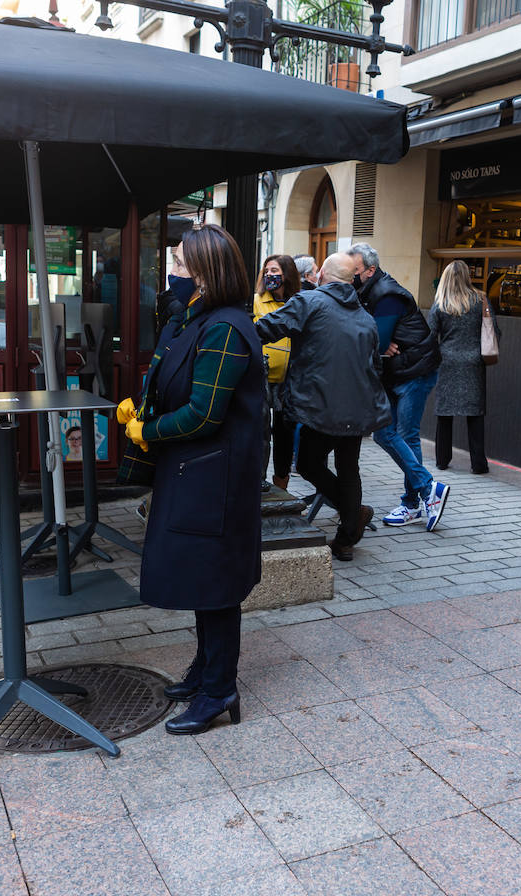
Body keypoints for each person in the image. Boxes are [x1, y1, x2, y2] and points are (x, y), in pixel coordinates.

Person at [120, 224, 265, 735]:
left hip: (216, 479)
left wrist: (146, 430)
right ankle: (205, 669)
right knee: (204, 578)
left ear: (205, 273)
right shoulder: (191, 320)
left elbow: (205, 414)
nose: (172, 273)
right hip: (194, 472)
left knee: (217, 585)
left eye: (179, 264)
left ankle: (219, 688)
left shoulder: (225, 328)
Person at [255, 253, 392, 561]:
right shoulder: (365, 317)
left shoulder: (310, 302)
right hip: (358, 407)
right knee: (349, 468)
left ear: (321, 276)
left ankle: (352, 516)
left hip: (323, 406)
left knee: (307, 463)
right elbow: (375, 366)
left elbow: (266, 328)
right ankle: (346, 537)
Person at [348, 242, 449, 531]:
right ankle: (427, 490)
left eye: (354, 270)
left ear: (370, 270)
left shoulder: (387, 294)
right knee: (384, 434)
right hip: (394, 373)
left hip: (413, 373)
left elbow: (375, 342)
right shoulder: (367, 291)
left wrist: (379, 344)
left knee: (407, 435)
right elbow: (375, 340)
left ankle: (411, 504)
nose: (350, 275)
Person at [426, 261, 497, 475]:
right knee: (475, 414)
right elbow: (493, 328)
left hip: (447, 361)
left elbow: (429, 335)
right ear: (467, 276)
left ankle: (442, 460)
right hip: (474, 362)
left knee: (444, 414)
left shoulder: (440, 303)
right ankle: (478, 464)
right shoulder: (480, 299)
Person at [253, 254, 298, 490]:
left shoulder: (299, 302)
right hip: (261, 378)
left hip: (289, 381)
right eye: (267, 270)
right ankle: (258, 480)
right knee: (261, 433)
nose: (270, 275)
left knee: (284, 435)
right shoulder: (256, 301)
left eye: (275, 271)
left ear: (287, 274)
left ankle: (281, 484)